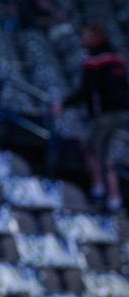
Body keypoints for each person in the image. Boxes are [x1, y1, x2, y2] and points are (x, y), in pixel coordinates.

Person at [54, 22, 128, 212]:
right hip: (122, 114)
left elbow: (86, 91)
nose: (82, 40)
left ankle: (99, 191)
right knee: (105, 155)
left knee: (90, 148)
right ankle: (113, 199)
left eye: (86, 35)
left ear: (96, 36)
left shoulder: (95, 60)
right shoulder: (118, 58)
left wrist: (64, 104)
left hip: (105, 116)